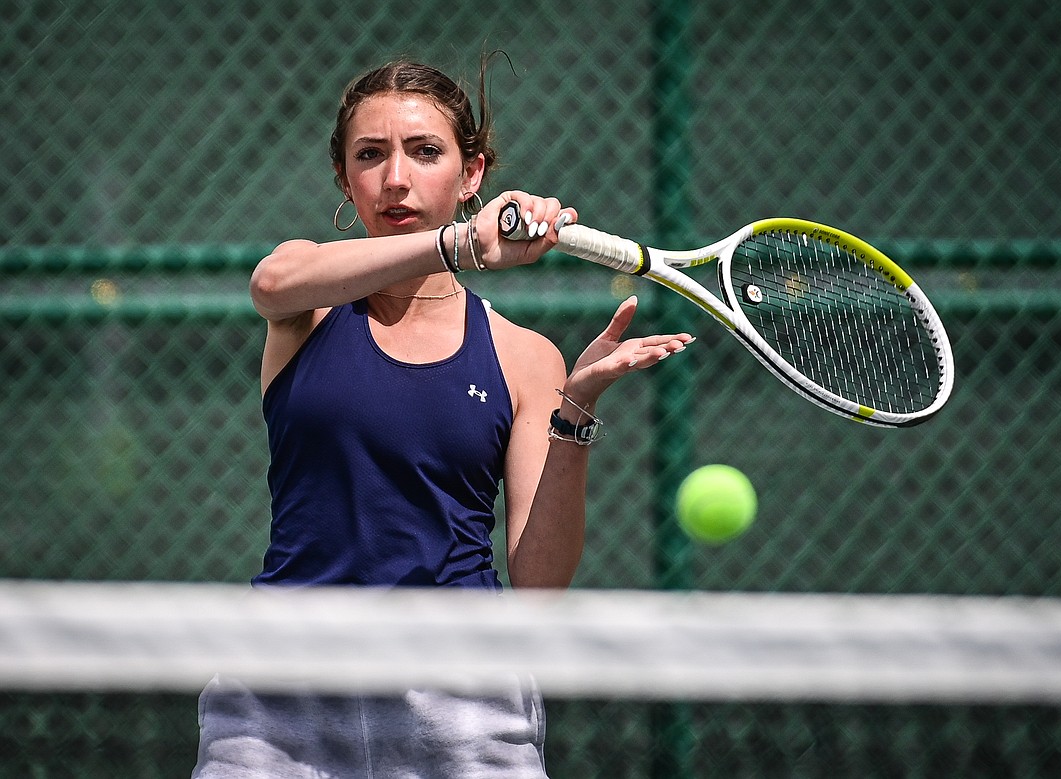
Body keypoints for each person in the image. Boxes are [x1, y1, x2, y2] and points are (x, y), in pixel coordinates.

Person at [192, 58, 693, 778]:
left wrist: (576, 410)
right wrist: (460, 243)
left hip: (460, 695)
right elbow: (270, 284)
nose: (396, 177)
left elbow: (541, 584)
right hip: (280, 688)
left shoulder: (524, 356)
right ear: (345, 179)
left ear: (471, 174)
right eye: (371, 155)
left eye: (425, 152)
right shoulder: (305, 294)